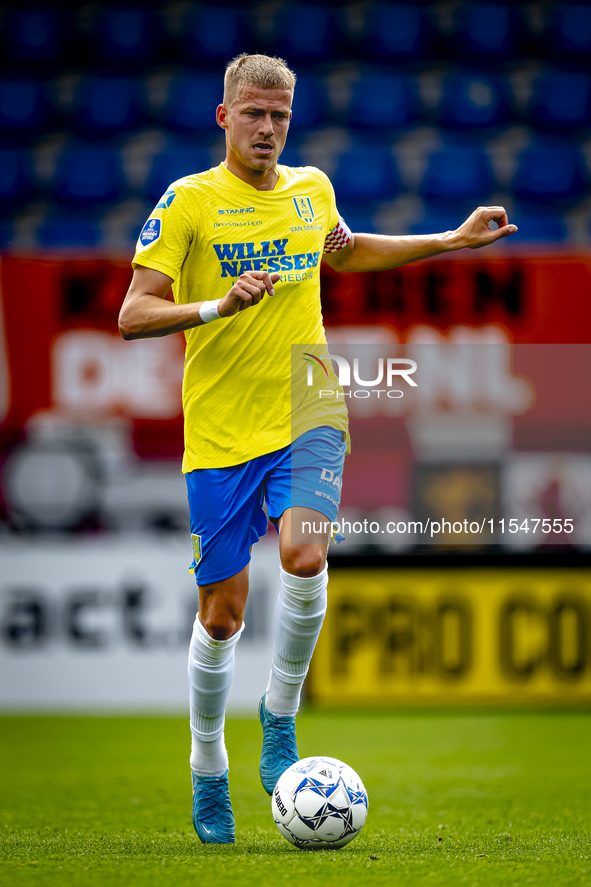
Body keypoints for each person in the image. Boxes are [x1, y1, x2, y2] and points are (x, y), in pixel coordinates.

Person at [118, 53, 517, 845]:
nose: (267, 128)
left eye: (280, 116)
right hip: (222, 427)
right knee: (222, 616)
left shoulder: (313, 189)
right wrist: (215, 304)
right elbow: (133, 313)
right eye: (254, 114)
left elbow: (345, 249)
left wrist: (449, 239)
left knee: (304, 556)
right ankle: (207, 765)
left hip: (309, 401)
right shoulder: (188, 202)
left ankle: (278, 717)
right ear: (224, 117)